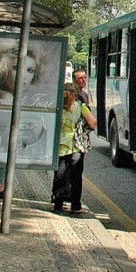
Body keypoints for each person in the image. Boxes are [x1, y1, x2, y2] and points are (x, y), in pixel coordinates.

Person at [52, 82, 96, 214]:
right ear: (75, 94)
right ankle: (75, 206)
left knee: (59, 176)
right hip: (75, 146)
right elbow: (92, 124)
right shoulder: (80, 107)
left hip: (59, 146)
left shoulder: (57, 106)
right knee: (76, 177)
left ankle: (58, 204)